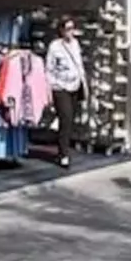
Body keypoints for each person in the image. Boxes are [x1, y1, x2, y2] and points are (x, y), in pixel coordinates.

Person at [44, 16, 86, 169]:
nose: (71, 32)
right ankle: (63, 154)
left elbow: (79, 64)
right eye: (68, 29)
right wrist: (50, 88)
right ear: (61, 30)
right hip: (60, 87)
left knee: (69, 120)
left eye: (73, 29)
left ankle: (63, 148)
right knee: (66, 118)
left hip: (75, 85)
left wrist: (83, 83)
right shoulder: (54, 47)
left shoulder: (75, 44)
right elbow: (49, 69)